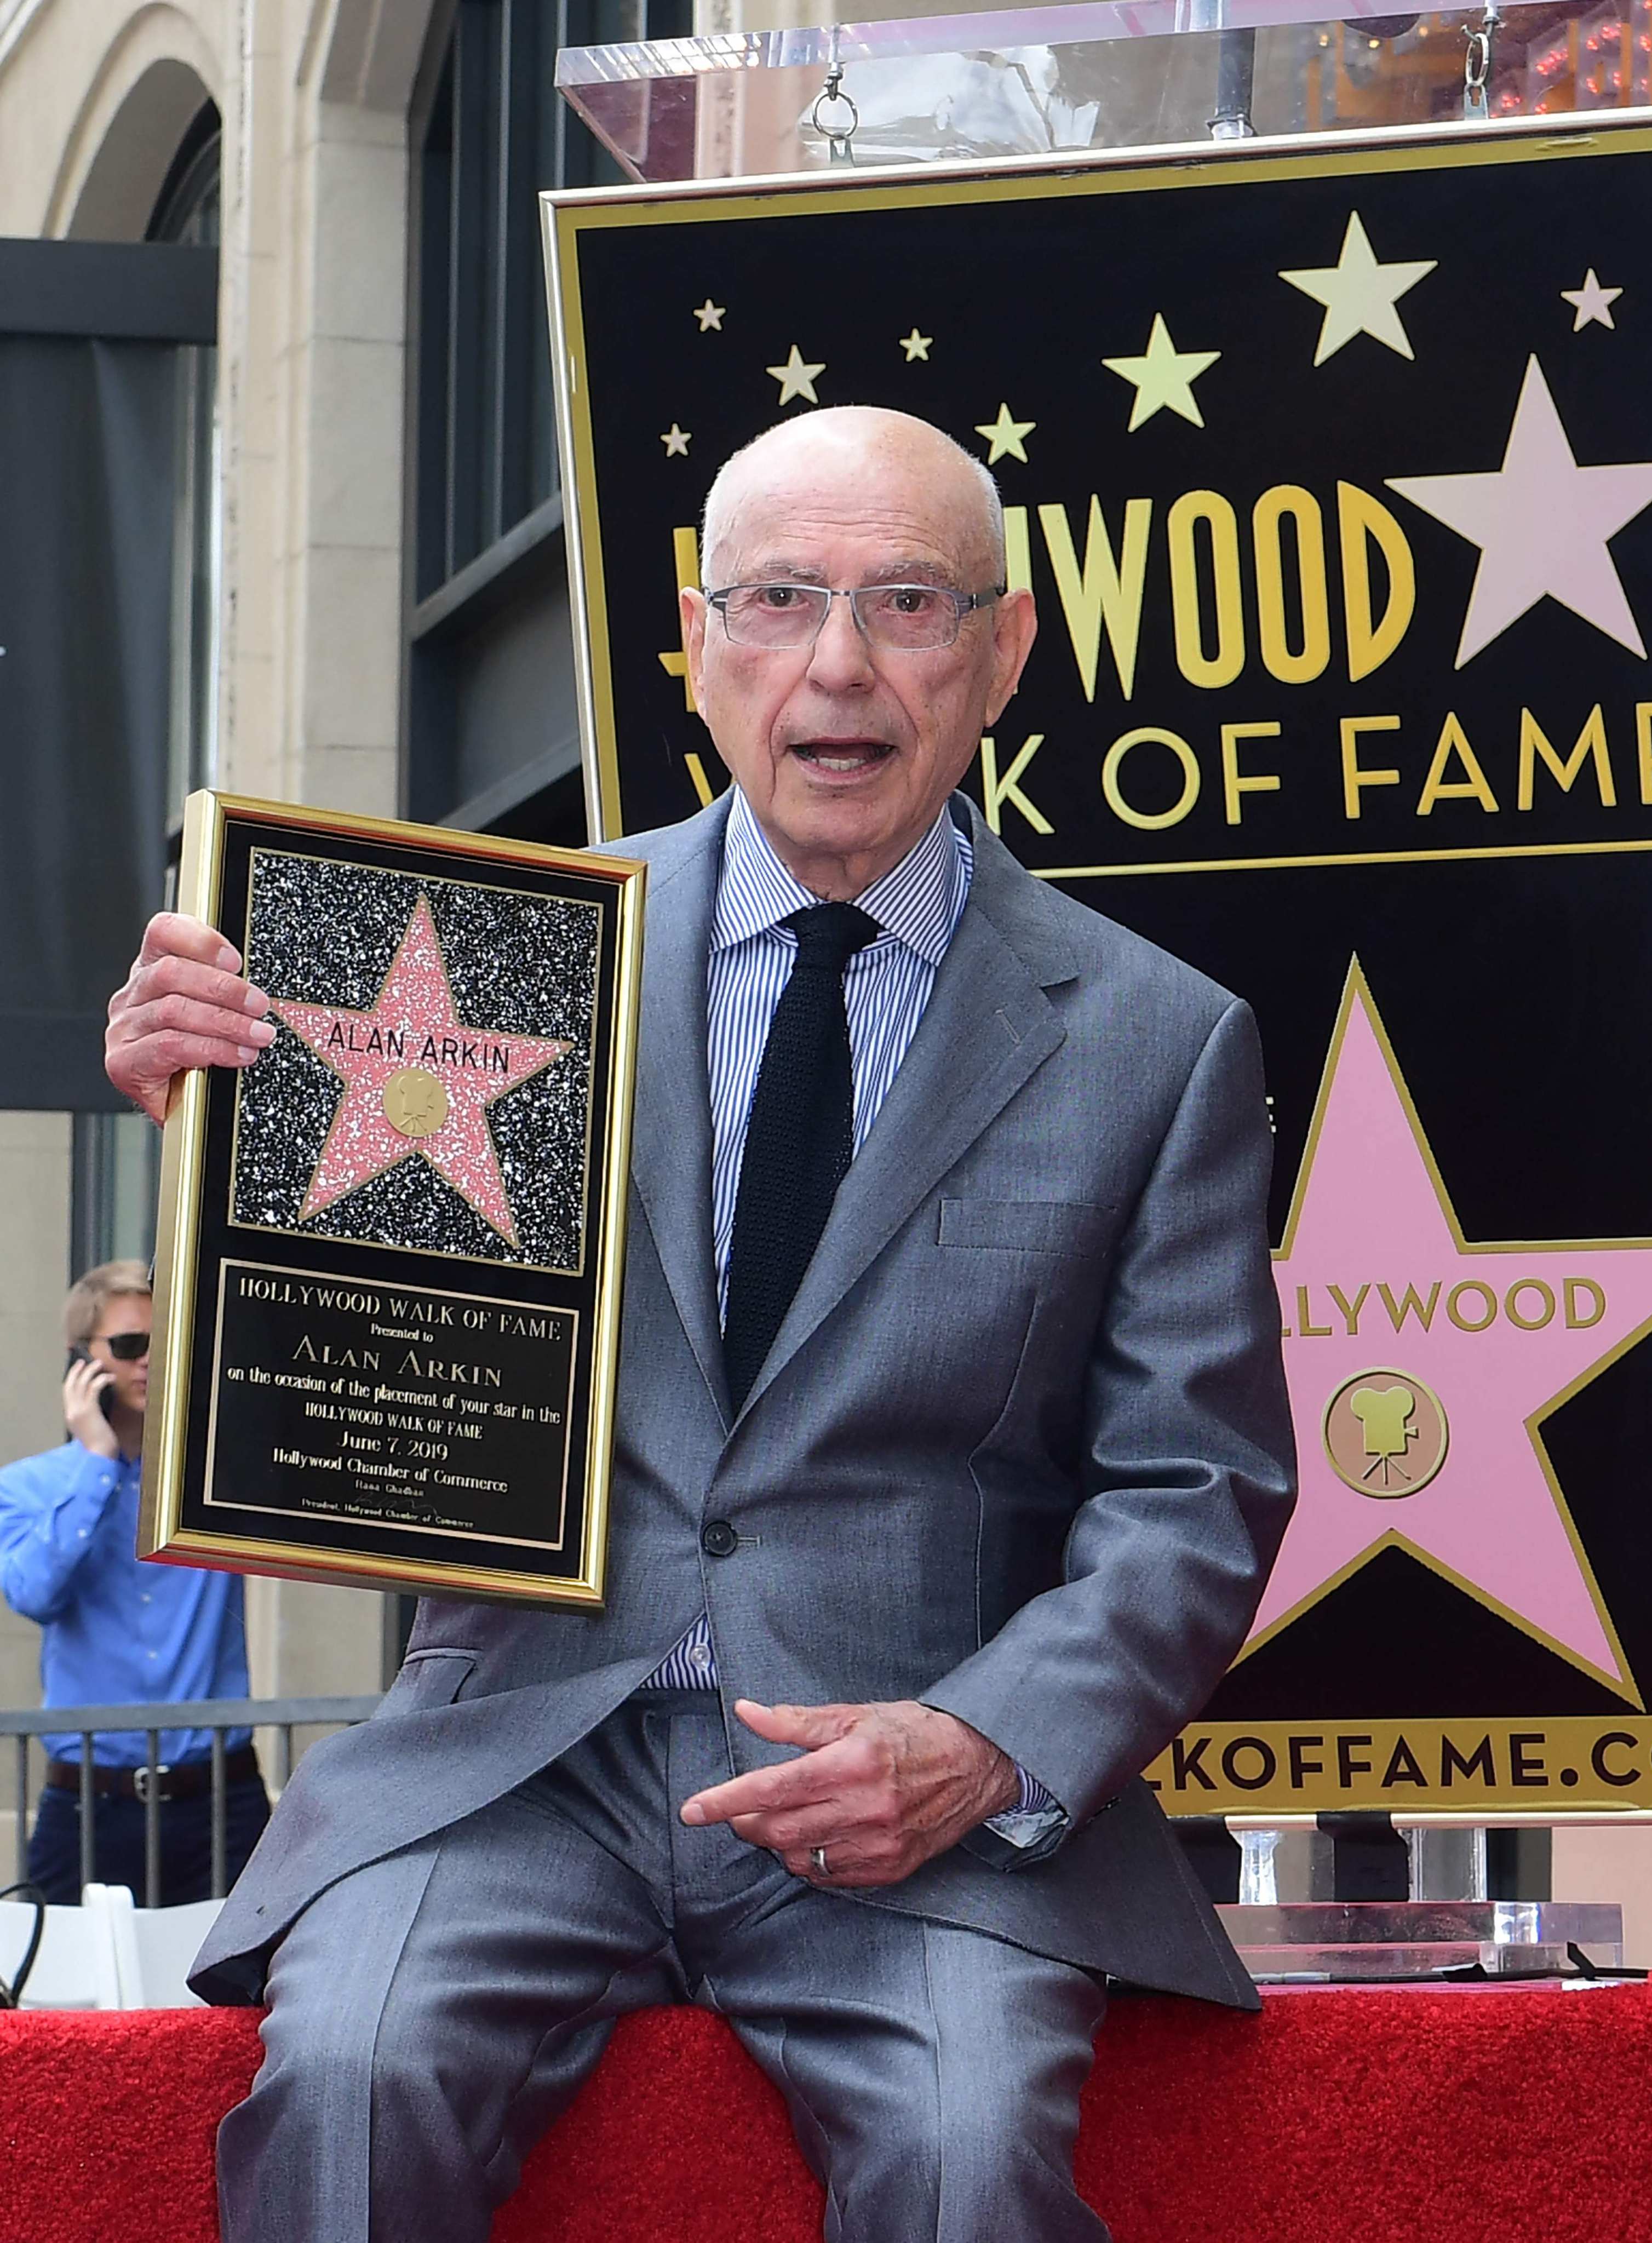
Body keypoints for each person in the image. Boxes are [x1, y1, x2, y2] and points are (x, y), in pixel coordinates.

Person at [104, 406, 1297, 2243]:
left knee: (976, 2147)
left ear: (1004, 650)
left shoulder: (1153, 1037)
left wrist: (975, 1743)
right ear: (692, 637)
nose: (838, 663)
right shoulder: (477, 965)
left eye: (907, 602)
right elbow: (330, 1367)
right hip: (511, 1763)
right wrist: (216, 1129)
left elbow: (1193, 1490)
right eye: (779, 599)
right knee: (347, 2080)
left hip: (906, 1795)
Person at [0, 1261, 269, 1905]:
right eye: (129, 1346)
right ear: (82, 1362)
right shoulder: (30, 1487)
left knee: (242, 2000)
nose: (151, 1360)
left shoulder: (213, 1483)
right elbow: (34, 1593)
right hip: (89, 1801)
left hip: (220, 1800)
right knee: (65, 2000)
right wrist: (97, 1461)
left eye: (166, 1339)